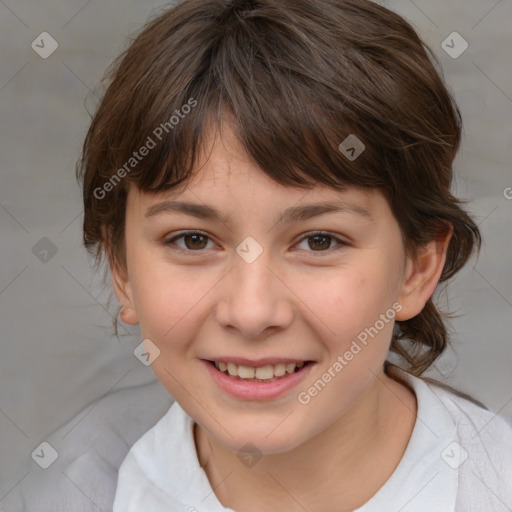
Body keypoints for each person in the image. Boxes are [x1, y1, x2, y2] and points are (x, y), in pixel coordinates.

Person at [76, 0, 512, 510]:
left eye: (319, 241)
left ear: (416, 269)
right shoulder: (71, 489)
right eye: (193, 240)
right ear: (122, 268)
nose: (252, 312)